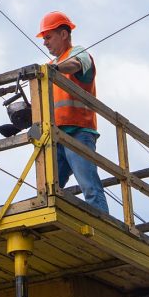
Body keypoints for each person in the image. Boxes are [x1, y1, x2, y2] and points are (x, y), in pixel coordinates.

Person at [37, 11, 109, 214]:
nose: (45, 43)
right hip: (56, 136)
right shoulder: (51, 67)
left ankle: (102, 228)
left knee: (90, 188)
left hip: (79, 133)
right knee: (48, 190)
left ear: (63, 34)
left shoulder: (77, 54)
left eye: (48, 37)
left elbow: (76, 65)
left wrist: (55, 70)